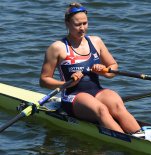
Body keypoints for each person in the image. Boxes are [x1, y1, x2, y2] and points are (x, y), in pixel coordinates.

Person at [40, 2, 140, 133]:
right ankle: (126, 142)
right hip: (73, 96)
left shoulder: (96, 41)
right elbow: (44, 80)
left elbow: (113, 68)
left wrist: (104, 71)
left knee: (117, 104)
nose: (82, 28)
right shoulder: (57, 48)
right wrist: (66, 84)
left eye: (85, 23)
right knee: (102, 110)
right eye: (77, 24)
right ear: (67, 24)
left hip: (97, 91)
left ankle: (141, 136)